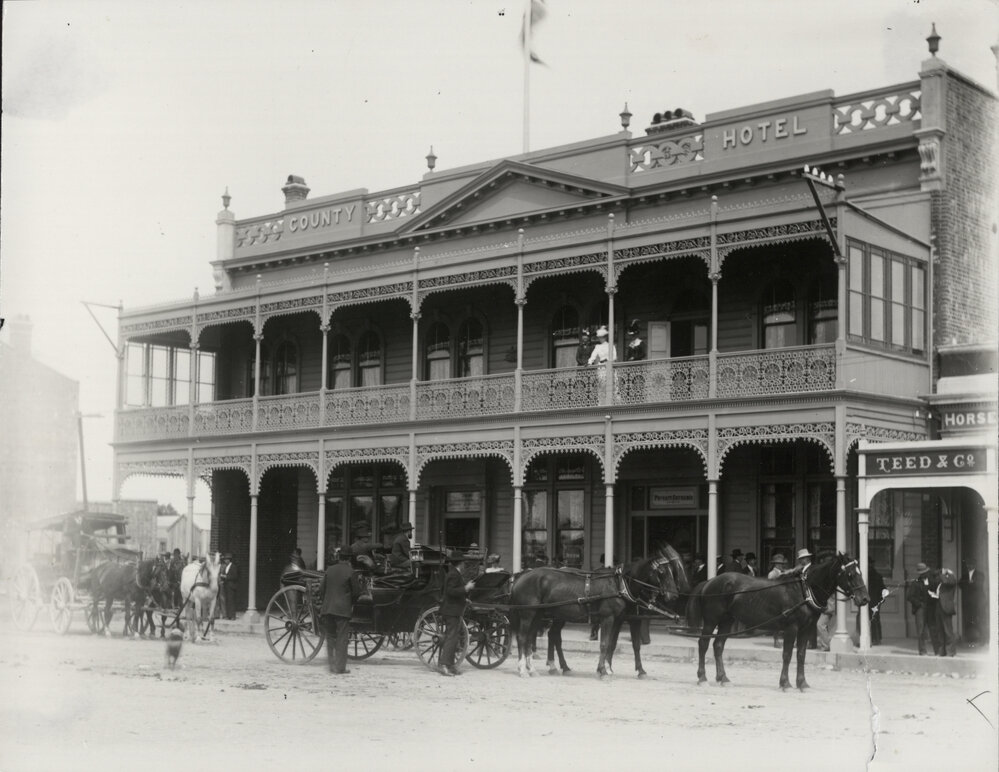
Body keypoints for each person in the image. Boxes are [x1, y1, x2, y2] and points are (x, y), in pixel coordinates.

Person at [319, 546, 358, 674]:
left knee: (330, 637)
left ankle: (331, 666)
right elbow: (356, 592)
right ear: (349, 558)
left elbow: (321, 590)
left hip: (327, 609)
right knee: (342, 638)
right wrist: (351, 603)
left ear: (339, 557)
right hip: (342, 610)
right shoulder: (350, 571)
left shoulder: (329, 570)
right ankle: (340, 668)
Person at [439, 553, 476, 677]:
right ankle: (444, 665)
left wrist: (464, 599)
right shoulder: (453, 574)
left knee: (454, 638)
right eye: (464, 563)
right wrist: (466, 588)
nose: (465, 566)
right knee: (451, 637)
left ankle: (450, 665)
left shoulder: (455, 573)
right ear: (460, 564)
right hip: (451, 611)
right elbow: (450, 592)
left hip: (454, 609)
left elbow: (455, 592)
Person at [907, 562, 942, 655]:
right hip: (920, 609)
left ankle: (937, 651)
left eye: (926, 572)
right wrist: (919, 604)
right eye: (923, 573)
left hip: (930, 608)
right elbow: (910, 596)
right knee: (921, 630)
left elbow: (937, 587)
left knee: (933, 629)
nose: (925, 574)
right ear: (920, 574)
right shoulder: (915, 583)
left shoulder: (932, 581)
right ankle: (922, 651)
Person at [960, 558, 987, 646]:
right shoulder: (964, 575)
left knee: (979, 620)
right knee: (968, 620)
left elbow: (978, 585)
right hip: (968, 603)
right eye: (968, 564)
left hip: (978, 603)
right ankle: (969, 640)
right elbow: (960, 584)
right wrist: (969, 583)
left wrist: (968, 584)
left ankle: (983, 640)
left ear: (974, 565)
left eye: (971, 564)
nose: (969, 566)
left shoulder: (980, 574)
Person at [858, 560, 886, 646]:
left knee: (872, 619)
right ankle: (876, 639)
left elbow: (882, 589)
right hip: (873, 601)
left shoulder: (868, 576)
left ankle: (874, 639)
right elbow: (883, 589)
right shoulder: (877, 576)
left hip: (870, 601)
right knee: (875, 619)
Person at [934, 567, 958, 657]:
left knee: (948, 631)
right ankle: (942, 651)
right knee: (940, 630)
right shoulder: (941, 581)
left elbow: (946, 581)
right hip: (939, 606)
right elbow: (937, 578)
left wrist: (947, 573)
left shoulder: (951, 580)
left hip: (946, 608)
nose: (942, 574)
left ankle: (951, 652)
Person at [220, 552, 239, 620]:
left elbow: (235, 576)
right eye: (225, 559)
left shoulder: (233, 566)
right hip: (226, 586)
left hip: (231, 586)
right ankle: (228, 615)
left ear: (229, 560)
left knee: (231, 601)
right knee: (227, 601)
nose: (225, 561)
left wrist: (225, 576)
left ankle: (233, 616)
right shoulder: (226, 567)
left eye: (226, 559)